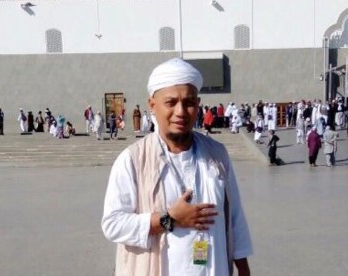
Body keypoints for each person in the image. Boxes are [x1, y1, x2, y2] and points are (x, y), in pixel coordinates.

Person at [102, 58, 252, 276]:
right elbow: (113, 224)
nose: (181, 112)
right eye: (171, 103)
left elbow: (235, 216)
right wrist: (168, 219)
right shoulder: (132, 160)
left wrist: (243, 268)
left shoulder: (217, 155)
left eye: (189, 102)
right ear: (152, 105)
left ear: (198, 104)